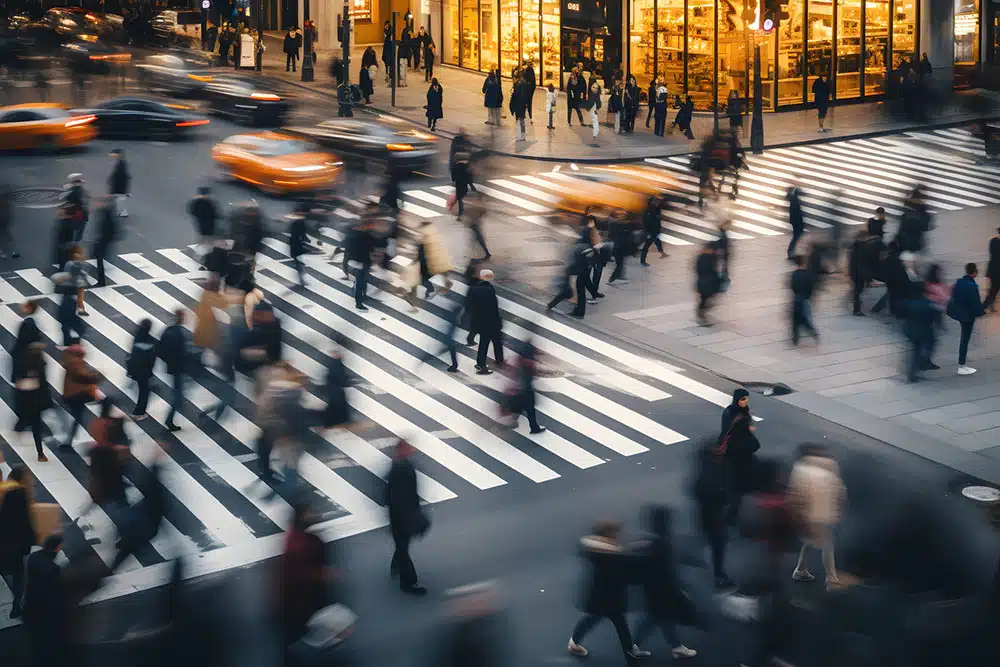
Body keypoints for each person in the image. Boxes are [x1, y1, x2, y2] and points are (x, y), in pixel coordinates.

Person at [566, 520, 648, 664]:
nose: (617, 535)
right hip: (609, 596)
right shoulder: (611, 556)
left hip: (601, 595)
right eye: (615, 533)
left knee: (594, 619)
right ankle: (630, 653)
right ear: (608, 534)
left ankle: (574, 643)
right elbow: (626, 571)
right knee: (617, 622)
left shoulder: (597, 551)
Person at [632, 506, 699, 659]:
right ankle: (675, 647)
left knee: (658, 617)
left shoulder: (650, 543)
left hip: (652, 589)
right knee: (659, 616)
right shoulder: (664, 544)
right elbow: (667, 572)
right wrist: (680, 590)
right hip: (662, 590)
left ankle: (676, 646)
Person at [789, 444, 845, 588]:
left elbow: (797, 494)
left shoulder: (801, 468)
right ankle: (831, 579)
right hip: (821, 514)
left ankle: (801, 569)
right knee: (827, 544)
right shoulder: (828, 467)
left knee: (811, 541)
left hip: (810, 514)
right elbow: (839, 491)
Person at [278, 503, 329, 649]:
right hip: (302, 600)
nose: (316, 515)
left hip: (296, 600)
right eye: (310, 512)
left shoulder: (297, 539)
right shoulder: (303, 543)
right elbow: (304, 573)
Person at [386, 439, 428, 595]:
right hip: (403, 517)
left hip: (400, 515)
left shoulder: (397, 465)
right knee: (403, 548)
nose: (412, 449)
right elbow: (401, 496)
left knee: (402, 545)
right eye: (409, 447)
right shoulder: (401, 468)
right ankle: (409, 583)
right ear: (402, 449)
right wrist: (410, 516)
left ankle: (395, 567)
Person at [692, 440, 735, 591]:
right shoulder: (714, 472)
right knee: (718, 544)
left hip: (705, 513)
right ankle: (718, 575)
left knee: (711, 539)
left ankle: (711, 567)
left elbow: (695, 492)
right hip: (715, 515)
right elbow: (722, 494)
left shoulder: (704, 470)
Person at [22, 533, 66, 667]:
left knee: (37, 646)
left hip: (30, 609)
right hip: (45, 614)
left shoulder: (33, 558)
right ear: (57, 548)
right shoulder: (53, 569)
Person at [0, 466, 37, 619]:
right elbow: (24, 520)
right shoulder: (19, 493)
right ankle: (17, 604)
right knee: (18, 575)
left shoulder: (4, 491)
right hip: (15, 543)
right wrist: (32, 538)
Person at [719, 388, 760, 523]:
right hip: (733, 452)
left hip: (742, 454)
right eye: (743, 399)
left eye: (746, 398)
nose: (745, 401)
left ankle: (731, 507)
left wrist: (748, 428)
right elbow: (726, 431)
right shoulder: (729, 412)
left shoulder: (745, 410)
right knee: (733, 483)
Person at [947, 262, 985, 375]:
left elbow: (953, 295)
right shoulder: (972, 286)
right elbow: (975, 303)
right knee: (965, 339)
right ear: (974, 272)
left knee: (964, 338)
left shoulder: (959, 282)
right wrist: (981, 312)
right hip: (968, 316)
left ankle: (962, 363)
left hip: (959, 314)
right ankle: (961, 365)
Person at [60, 344, 101, 450]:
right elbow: (82, 377)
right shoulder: (76, 363)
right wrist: (95, 376)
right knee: (78, 418)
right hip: (77, 396)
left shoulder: (70, 362)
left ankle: (69, 440)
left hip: (72, 394)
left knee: (77, 417)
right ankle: (69, 442)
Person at [16, 342, 52, 461]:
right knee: (36, 427)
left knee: (31, 423)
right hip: (36, 402)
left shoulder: (26, 364)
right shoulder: (39, 365)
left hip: (29, 401)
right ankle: (40, 453)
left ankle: (20, 427)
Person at [158, 309, 190, 431]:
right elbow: (178, 352)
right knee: (178, 397)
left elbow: (160, 349)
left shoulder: (169, 330)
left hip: (174, 367)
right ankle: (169, 420)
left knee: (179, 393)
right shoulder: (176, 333)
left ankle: (172, 415)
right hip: (178, 368)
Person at [468, 268, 503, 375]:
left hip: (480, 321)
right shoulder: (489, 290)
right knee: (497, 341)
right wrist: (498, 322)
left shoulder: (473, 289)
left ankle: (480, 363)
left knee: (484, 343)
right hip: (491, 321)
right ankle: (499, 360)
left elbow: (469, 306)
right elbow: (494, 309)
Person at [506, 340, 545, 434]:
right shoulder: (529, 363)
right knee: (530, 410)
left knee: (518, 406)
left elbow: (515, 373)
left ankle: (513, 421)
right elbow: (533, 374)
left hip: (519, 388)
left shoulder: (519, 360)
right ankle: (534, 428)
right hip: (526, 389)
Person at [904, 281, 938, 382]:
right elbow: (932, 317)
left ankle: (912, 371)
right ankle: (920, 365)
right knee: (926, 347)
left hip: (911, 329)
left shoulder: (908, 302)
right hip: (924, 330)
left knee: (915, 350)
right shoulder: (927, 303)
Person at [127, 318, 157, 420]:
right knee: (144, 392)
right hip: (144, 371)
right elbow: (151, 360)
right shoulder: (150, 341)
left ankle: (139, 411)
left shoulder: (137, 337)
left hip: (136, 368)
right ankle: (139, 412)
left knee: (142, 390)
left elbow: (132, 354)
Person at [346, 213, 376, 311]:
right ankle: (359, 303)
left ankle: (362, 295)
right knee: (360, 281)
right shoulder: (364, 236)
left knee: (362, 280)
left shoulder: (353, 234)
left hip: (359, 262)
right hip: (361, 262)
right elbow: (369, 248)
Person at [790, 254, 818, 346]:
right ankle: (812, 331)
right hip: (805, 298)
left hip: (797, 298)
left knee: (795, 319)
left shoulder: (794, 274)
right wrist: (808, 296)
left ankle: (795, 338)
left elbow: (792, 286)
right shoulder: (808, 274)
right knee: (804, 318)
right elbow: (811, 287)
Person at [91, 196, 119, 288]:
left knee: (99, 258)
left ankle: (101, 281)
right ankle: (101, 279)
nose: (96, 204)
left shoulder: (106, 213)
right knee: (100, 258)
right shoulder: (106, 211)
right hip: (104, 239)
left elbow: (108, 228)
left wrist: (100, 238)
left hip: (104, 240)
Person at [695, 244, 720, 326]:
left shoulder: (712, 257)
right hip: (704, 283)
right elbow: (701, 271)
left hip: (710, 283)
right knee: (705, 299)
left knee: (708, 300)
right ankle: (701, 315)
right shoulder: (702, 258)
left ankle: (701, 314)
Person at [189, 186, 218, 253]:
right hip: (207, 223)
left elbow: (192, 211)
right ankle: (205, 250)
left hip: (202, 222)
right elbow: (214, 212)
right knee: (207, 237)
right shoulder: (208, 202)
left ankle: (202, 249)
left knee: (204, 236)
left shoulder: (197, 202)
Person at [640, 196, 665, 266]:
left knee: (657, 241)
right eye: (656, 201)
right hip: (651, 232)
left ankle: (662, 253)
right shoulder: (648, 211)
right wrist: (647, 232)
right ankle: (642, 261)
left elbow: (658, 220)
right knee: (646, 246)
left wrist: (659, 228)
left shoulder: (657, 209)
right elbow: (646, 222)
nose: (658, 202)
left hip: (656, 230)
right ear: (651, 202)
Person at [288, 206, 308, 288]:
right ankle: (301, 279)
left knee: (299, 262)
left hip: (297, 246)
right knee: (298, 263)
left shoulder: (298, 222)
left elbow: (302, 233)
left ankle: (301, 278)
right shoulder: (298, 223)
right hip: (296, 246)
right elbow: (299, 234)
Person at [108, 148, 130, 218]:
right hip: (120, 186)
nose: (112, 155)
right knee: (119, 199)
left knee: (120, 199)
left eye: (114, 154)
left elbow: (122, 175)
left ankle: (123, 212)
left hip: (120, 186)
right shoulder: (121, 163)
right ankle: (121, 212)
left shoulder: (121, 164)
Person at [0, 181, 19, 259]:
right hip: (4, 218)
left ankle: (6, 250)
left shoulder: (5, 203)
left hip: (4, 218)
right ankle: (5, 250)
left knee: (4, 233)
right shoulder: (5, 202)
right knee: (4, 234)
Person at [983, 227, 1000, 311]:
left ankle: (986, 305)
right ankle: (985, 306)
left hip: (993, 269)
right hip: (996, 270)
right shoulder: (994, 242)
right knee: (993, 290)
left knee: (993, 290)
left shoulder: (993, 241)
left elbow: (992, 254)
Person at [786, 186, 805, 259]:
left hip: (795, 222)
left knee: (796, 237)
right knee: (796, 237)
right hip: (797, 222)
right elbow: (797, 213)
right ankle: (790, 251)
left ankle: (791, 251)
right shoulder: (795, 200)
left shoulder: (794, 199)